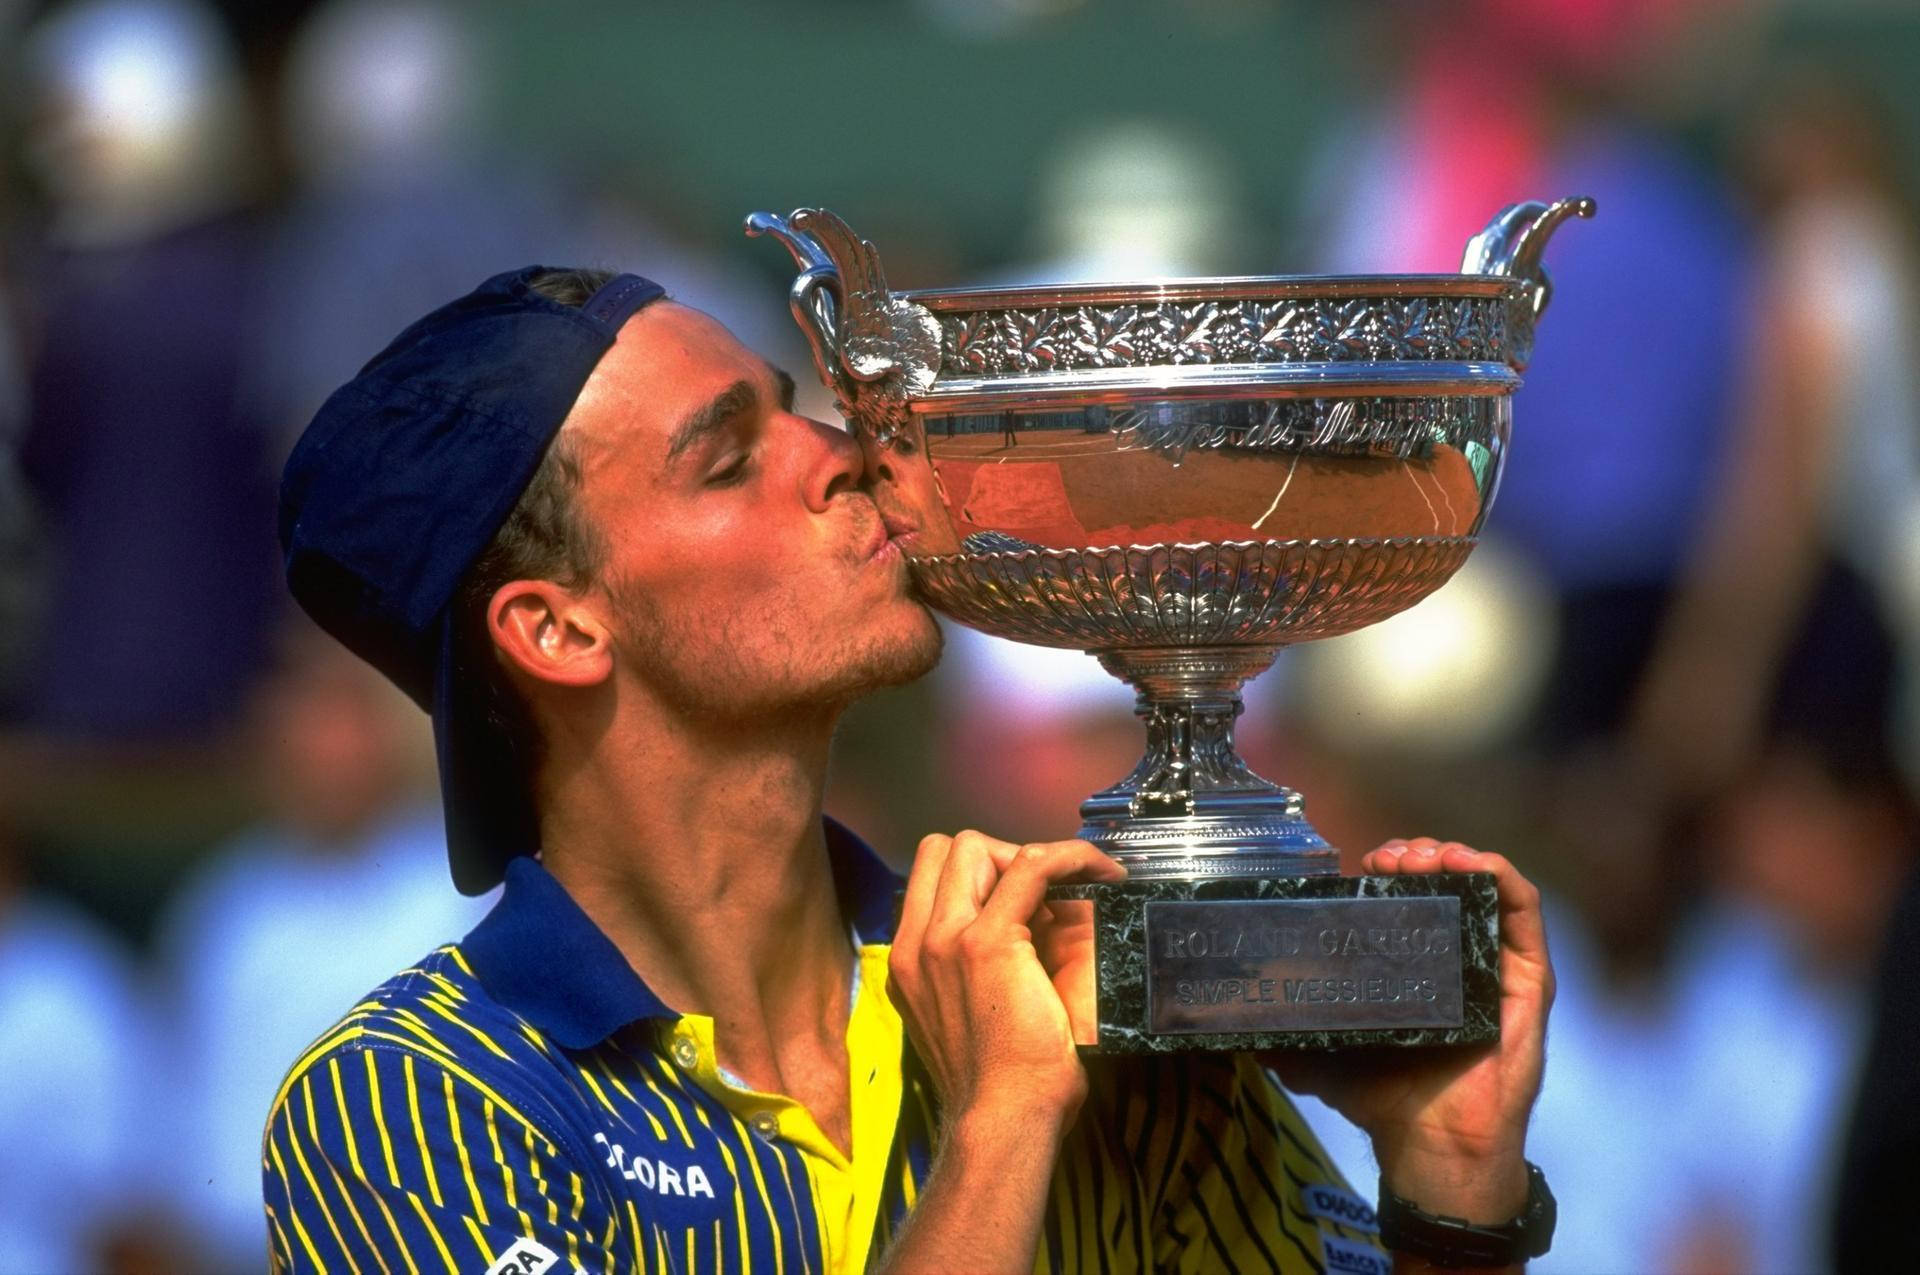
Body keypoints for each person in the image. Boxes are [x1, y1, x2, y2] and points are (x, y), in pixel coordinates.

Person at [261, 265, 1558, 1272]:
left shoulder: (1089, 999)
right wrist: (997, 1132)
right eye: (728, 460)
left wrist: (1449, 1199)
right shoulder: (407, 1111)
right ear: (559, 629)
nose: (838, 455)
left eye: (793, 407)